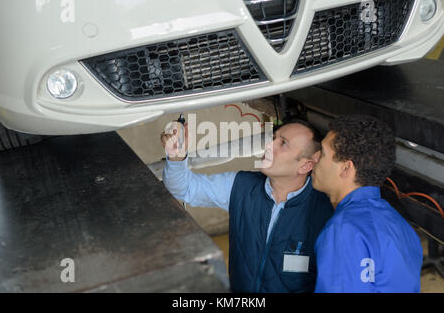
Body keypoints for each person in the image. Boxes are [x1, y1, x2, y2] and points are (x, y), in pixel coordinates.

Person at [161, 119, 334, 292]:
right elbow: (184, 188)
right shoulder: (240, 186)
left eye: (283, 143)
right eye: (273, 138)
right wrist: (176, 156)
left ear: (305, 165)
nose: (269, 145)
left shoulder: (326, 211)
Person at [311, 114, 423, 293]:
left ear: (346, 168)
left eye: (323, 153)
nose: (314, 158)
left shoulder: (343, 230)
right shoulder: (402, 226)